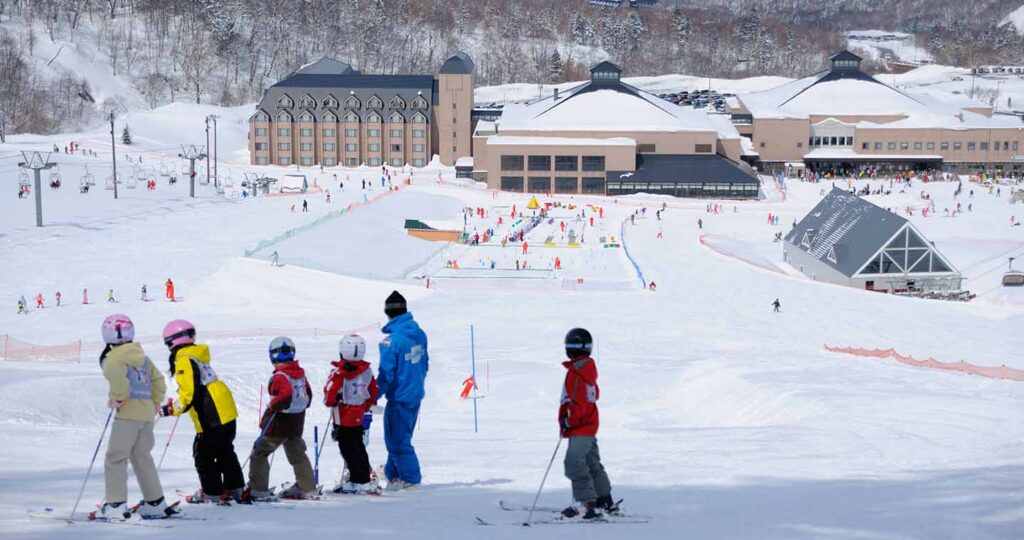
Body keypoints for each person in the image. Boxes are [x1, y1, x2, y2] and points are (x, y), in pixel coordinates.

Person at [97, 314, 177, 519]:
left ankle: (115, 505)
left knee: (116, 457)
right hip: (146, 416)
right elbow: (159, 381)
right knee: (142, 457)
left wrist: (118, 398)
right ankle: (155, 502)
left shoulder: (112, 358)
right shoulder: (142, 357)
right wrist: (154, 401)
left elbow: (119, 383)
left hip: (127, 416)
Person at [158, 320, 245, 503]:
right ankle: (235, 487)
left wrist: (171, 409)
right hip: (225, 409)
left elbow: (189, 394)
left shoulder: (184, 360)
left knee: (203, 453)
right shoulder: (198, 356)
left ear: (173, 341)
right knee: (224, 450)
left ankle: (212, 492)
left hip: (212, 413)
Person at [248, 337, 316, 500]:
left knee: (260, 453)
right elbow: (309, 394)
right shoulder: (300, 374)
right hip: (296, 422)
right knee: (297, 454)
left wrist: (274, 406)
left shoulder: (280, 376)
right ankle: (308, 487)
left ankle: (258, 489)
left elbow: (285, 395)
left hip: (279, 423)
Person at [559, 328, 616, 520]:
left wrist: (569, 421)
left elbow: (578, 402)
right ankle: (604, 500)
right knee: (591, 462)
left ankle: (586, 504)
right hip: (589, 425)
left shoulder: (576, 372)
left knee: (574, 463)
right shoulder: (588, 370)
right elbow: (593, 396)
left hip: (581, 427)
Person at [378, 291, 429, 490]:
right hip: (415, 394)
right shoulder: (419, 334)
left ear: (388, 312)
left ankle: (411, 478)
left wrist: (373, 395)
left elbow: (386, 374)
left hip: (400, 397)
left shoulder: (392, 341)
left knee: (397, 441)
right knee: (399, 437)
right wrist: (416, 382)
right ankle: (393, 474)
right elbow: (424, 363)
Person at [323, 334, 380, 494]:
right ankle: (359, 478)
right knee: (357, 445)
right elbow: (373, 391)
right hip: (358, 414)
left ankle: (360, 479)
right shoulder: (367, 371)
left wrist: (331, 401)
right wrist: (365, 405)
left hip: (342, 414)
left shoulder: (339, 373)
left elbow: (330, 392)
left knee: (348, 447)